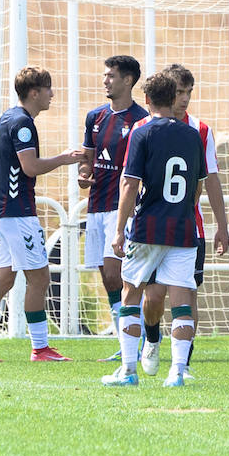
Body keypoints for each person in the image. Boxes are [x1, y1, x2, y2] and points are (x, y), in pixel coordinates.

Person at [0, 67, 87, 362]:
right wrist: (65, 159)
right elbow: (30, 168)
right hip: (17, 213)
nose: (52, 94)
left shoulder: (9, 117)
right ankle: (40, 348)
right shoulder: (23, 123)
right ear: (34, 93)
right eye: (48, 89)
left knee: (3, 279)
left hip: (1, 212)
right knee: (40, 278)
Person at [101, 72, 206, 387]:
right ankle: (177, 372)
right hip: (184, 228)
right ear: (174, 99)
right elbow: (197, 187)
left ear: (146, 100)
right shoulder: (191, 134)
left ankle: (129, 370)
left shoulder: (141, 131)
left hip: (148, 227)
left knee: (131, 294)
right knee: (182, 300)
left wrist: (119, 230)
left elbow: (129, 184)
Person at [136, 65, 229, 377]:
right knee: (152, 298)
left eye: (189, 92)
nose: (185, 98)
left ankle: (182, 364)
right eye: (179, 92)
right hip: (151, 228)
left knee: (187, 295)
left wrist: (222, 224)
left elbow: (211, 178)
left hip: (189, 229)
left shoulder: (200, 131)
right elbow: (132, 181)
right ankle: (151, 338)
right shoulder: (144, 128)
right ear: (166, 93)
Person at [77, 55, 147, 360]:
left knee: (119, 274)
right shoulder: (95, 117)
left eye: (111, 76)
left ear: (128, 80)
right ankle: (128, 339)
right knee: (108, 277)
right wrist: (84, 175)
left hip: (123, 208)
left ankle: (138, 338)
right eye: (105, 75)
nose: (105, 80)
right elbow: (88, 160)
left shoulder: (141, 120)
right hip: (97, 206)